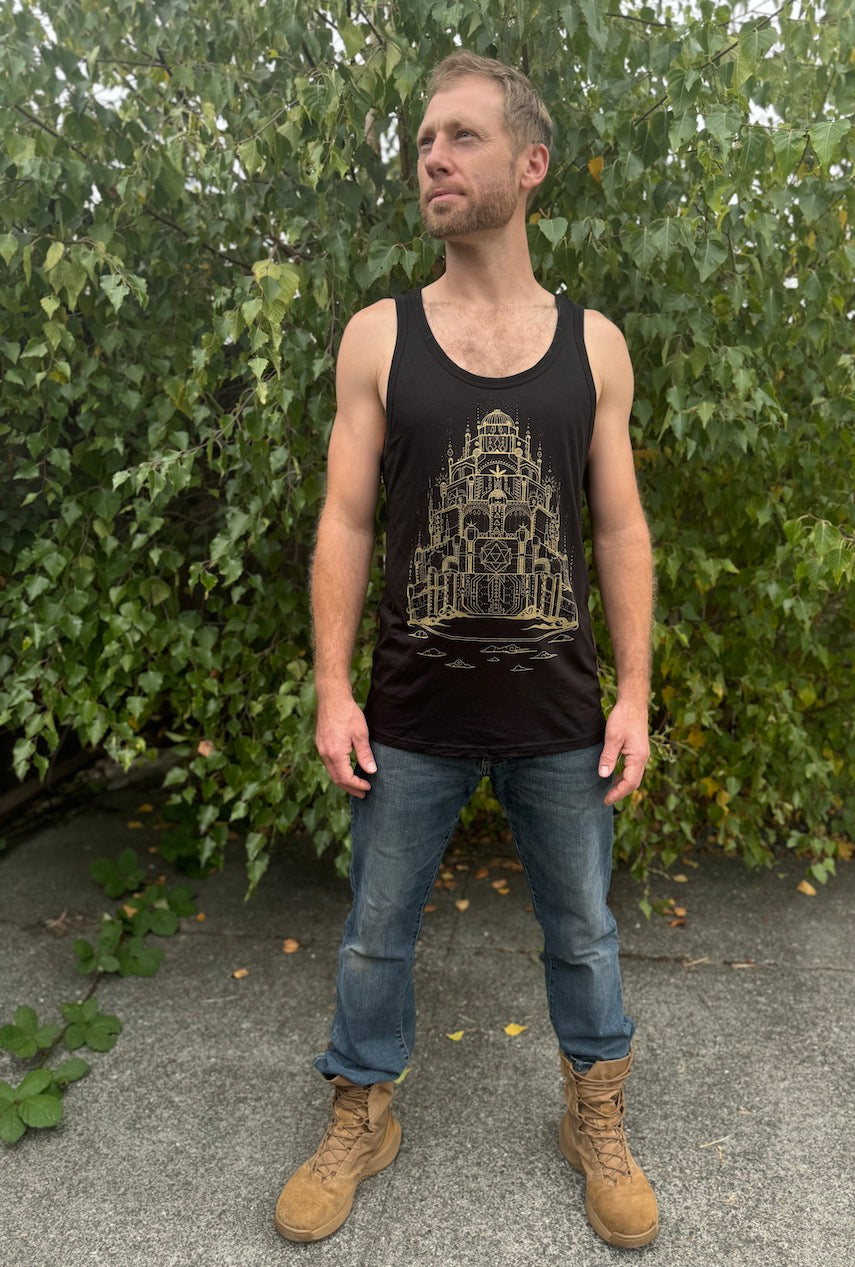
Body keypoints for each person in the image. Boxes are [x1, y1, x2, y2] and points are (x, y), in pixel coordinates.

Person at [274, 50, 657, 1250]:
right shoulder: (378, 337)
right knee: (375, 931)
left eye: (460, 137)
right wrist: (331, 687)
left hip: (559, 713)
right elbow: (345, 520)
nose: (431, 159)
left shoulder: (593, 346)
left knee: (583, 930)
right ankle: (362, 1107)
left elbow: (616, 526)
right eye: (423, 141)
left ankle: (593, 1114)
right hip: (409, 713)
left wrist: (635, 691)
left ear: (528, 164)